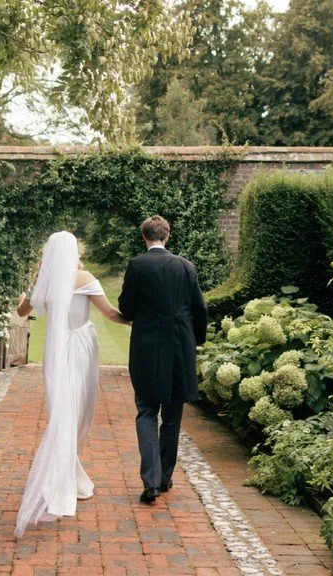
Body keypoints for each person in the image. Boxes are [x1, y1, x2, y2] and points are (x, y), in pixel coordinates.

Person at [13, 231, 129, 537]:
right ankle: (64, 476)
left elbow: (22, 311)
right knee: (80, 412)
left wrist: (22, 299)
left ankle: (68, 474)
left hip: (56, 352)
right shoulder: (85, 277)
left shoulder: (45, 283)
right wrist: (139, 320)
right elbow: (111, 314)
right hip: (81, 348)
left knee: (62, 412)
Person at [118, 215, 208, 504]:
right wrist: (198, 340)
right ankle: (165, 477)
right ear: (166, 236)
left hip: (146, 347)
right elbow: (200, 309)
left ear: (145, 236)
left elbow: (127, 308)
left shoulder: (137, 265)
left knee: (146, 410)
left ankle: (151, 482)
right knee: (172, 414)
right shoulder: (186, 266)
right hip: (180, 348)